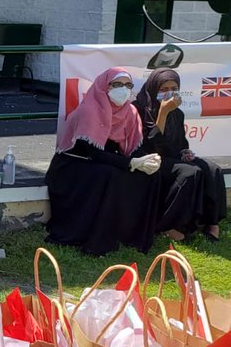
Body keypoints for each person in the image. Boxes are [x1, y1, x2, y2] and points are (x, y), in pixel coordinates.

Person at [46, 68, 162, 256]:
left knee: (149, 176)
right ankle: (96, 237)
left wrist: (147, 159)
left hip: (107, 161)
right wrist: (131, 163)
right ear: (104, 86)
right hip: (75, 164)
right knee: (110, 175)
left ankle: (131, 235)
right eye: (117, 84)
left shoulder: (130, 111)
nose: (123, 89)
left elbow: (132, 148)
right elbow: (92, 152)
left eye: (128, 85)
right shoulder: (90, 109)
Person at [133, 68, 225, 241]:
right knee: (189, 173)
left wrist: (185, 152)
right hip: (149, 160)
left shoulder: (178, 113)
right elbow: (148, 145)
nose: (169, 93)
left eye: (174, 88)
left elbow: (181, 143)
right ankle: (168, 226)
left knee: (212, 169)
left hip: (174, 158)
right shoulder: (138, 109)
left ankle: (211, 222)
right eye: (164, 89)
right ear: (153, 88)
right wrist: (163, 112)